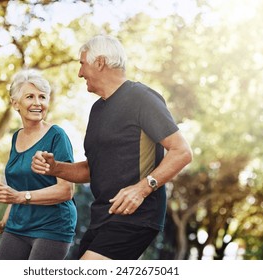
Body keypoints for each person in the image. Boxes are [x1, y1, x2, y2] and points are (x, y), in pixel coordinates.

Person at [31, 35, 192, 260]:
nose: (79, 73)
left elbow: (182, 151)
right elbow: (92, 170)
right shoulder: (97, 110)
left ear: (100, 62)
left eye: (82, 63)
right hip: (103, 217)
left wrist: (142, 188)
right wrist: (55, 168)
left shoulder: (142, 98)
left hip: (136, 216)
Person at [0, 69, 77, 260]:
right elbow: (19, 190)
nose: (37, 103)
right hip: (18, 226)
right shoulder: (16, 137)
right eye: (30, 97)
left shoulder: (57, 136)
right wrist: (3, 223)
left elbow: (66, 190)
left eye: (42, 97)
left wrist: (20, 196)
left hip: (53, 227)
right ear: (15, 103)